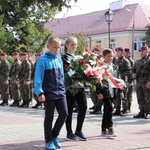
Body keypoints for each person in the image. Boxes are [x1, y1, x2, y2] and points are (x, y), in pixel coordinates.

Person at [34, 36, 68, 150]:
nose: (57, 50)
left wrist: (63, 88)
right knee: (49, 117)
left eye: (59, 47)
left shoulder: (59, 59)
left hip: (60, 91)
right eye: (54, 47)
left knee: (64, 113)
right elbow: (38, 78)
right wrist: (39, 92)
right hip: (48, 93)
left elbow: (62, 76)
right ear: (48, 46)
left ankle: (54, 135)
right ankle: (48, 141)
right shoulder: (42, 60)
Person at [62, 36, 87, 141]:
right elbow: (67, 71)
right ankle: (69, 132)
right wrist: (77, 74)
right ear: (67, 45)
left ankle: (79, 130)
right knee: (69, 110)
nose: (74, 47)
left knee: (84, 107)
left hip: (80, 87)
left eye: (75, 45)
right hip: (70, 88)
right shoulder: (64, 58)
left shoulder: (78, 58)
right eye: (72, 44)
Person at [96, 48, 124, 137]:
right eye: (108, 56)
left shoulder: (115, 67)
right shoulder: (101, 67)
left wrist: (121, 91)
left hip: (112, 90)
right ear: (103, 56)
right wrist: (98, 92)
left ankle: (103, 129)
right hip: (104, 91)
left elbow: (118, 79)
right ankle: (110, 128)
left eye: (111, 56)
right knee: (110, 108)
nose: (110, 58)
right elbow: (97, 80)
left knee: (107, 110)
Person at [132, 46, 150, 119]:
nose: (141, 52)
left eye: (143, 51)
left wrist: (149, 81)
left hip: (146, 81)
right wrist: (133, 74)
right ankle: (141, 111)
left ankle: (147, 112)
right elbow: (133, 70)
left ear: (147, 51)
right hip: (139, 81)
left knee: (147, 98)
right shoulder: (138, 61)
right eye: (141, 51)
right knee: (140, 97)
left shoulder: (149, 60)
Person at [113, 47, 131, 116]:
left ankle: (125, 109)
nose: (117, 53)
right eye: (117, 52)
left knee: (123, 95)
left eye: (119, 52)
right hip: (116, 80)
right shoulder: (116, 61)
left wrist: (129, 81)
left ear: (122, 53)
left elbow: (129, 71)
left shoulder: (125, 61)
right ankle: (117, 108)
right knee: (117, 94)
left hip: (123, 80)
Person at [124, 48, 135, 112]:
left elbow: (132, 72)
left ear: (128, 53)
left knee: (129, 95)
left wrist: (130, 81)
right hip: (125, 80)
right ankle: (125, 107)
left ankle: (128, 108)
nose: (124, 53)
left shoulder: (131, 61)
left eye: (125, 52)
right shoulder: (125, 60)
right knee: (125, 94)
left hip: (129, 81)